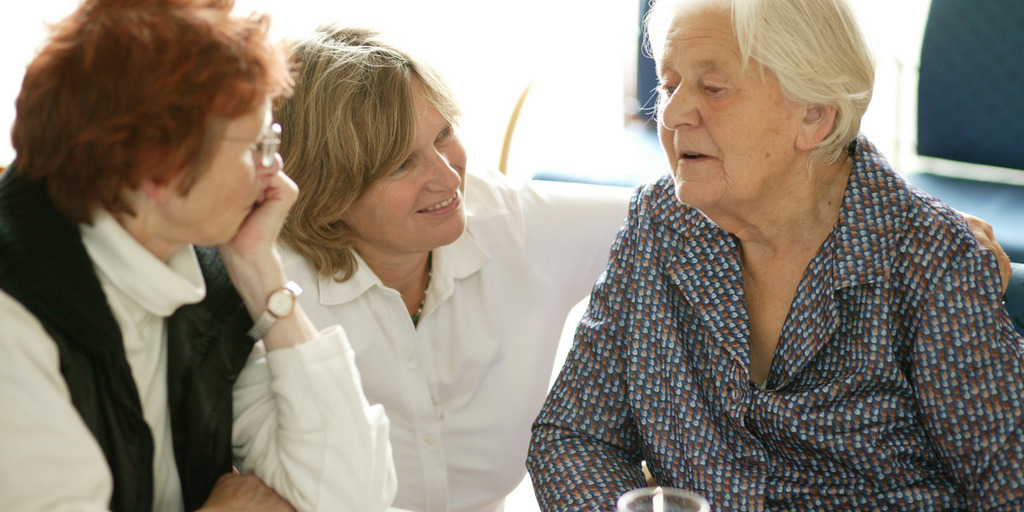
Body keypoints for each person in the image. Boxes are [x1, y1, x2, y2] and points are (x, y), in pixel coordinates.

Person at [526, 0, 1024, 510]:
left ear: (814, 116)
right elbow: (573, 436)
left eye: (713, 88)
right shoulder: (659, 224)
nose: (671, 114)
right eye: (669, 84)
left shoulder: (927, 258)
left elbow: (1010, 484)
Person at [0, 1, 396, 511]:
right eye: (258, 145)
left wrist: (262, 275)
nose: (276, 175)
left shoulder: (199, 270)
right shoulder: (14, 314)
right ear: (157, 167)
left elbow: (352, 496)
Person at [272, 26, 632, 512]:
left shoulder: (508, 223)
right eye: (402, 164)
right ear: (328, 191)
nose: (448, 176)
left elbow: (687, 219)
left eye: (444, 135)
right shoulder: (273, 285)